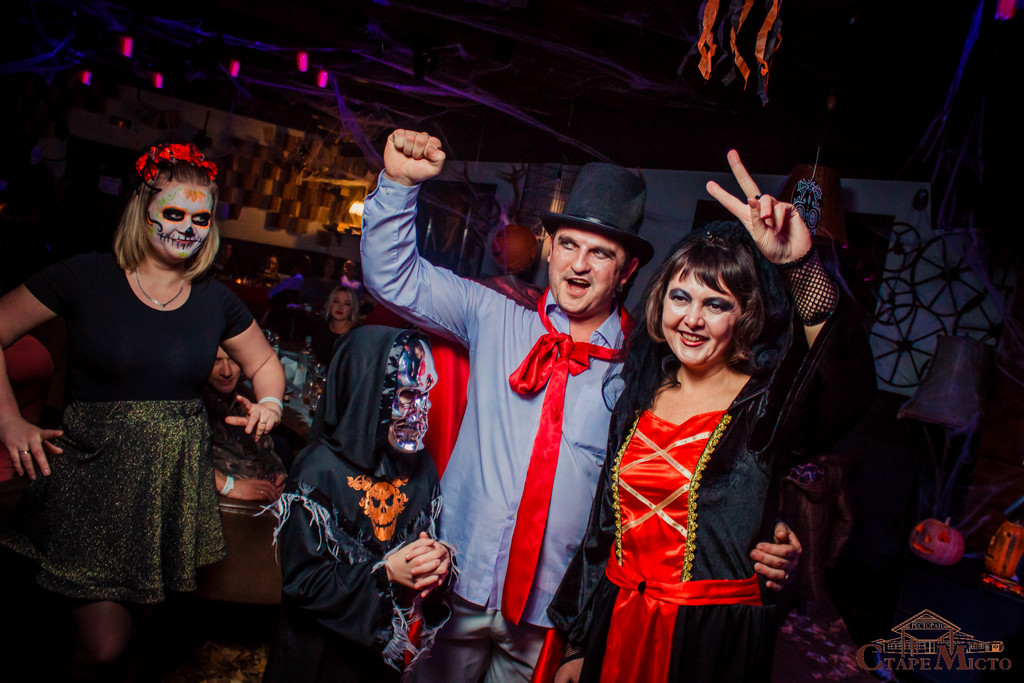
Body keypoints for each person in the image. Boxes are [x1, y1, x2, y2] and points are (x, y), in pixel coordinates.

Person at [360, 129, 802, 681]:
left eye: (601, 253)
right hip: (458, 577)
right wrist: (398, 184)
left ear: (627, 270)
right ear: (549, 246)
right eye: (568, 244)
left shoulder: (650, 367)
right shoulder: (492, 310)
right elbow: (393, 279)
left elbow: (704, 463)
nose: (579, 264)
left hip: (555, 611)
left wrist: (765, 529)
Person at [547, 151, 875, 683]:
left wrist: (799, 266)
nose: (692, 319)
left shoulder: (764, 405)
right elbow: (602, 531)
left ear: (745, 315)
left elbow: (848, 383)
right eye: (681, 297)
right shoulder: (640, 393)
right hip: (618, 623)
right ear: (661, 302)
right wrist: (577, 645)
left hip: (707, 643)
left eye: (717, 304)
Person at [0, 142, 285, 676]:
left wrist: (269, 402)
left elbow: (266, 361)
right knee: (101, 641)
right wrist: (9, 420)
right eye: (173, 213)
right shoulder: (85, 276)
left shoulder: (214, 298)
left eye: (200, 218)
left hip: (168, 488)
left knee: (148, 632)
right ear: (143, 209)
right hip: (92, 482)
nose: (187, 228)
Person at [263, 326, 454, 683]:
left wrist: (437, 561)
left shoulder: (420, 468)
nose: (422, 410)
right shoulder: (319, 471)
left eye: (426, 394)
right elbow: (302, 582)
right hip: (316, 657)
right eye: (408, 394)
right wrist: (385, 574)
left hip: (378, 661)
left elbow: (423, 543)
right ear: (369, 391)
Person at [203, 346, 288, 502]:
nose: (226, 372)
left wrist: (278, 477)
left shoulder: (243, 403)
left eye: (233, 360)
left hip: (266, 501)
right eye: (216, 361)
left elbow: (266, 454)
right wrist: (229, 486)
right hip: (225, 506)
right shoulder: (195, 408)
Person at [311, 285, 359, 363]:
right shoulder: (321, 326)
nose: (340, 307)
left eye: (346, 304)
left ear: (352, 308)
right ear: (329, 304)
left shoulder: (357, 334)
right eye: (336, 301)